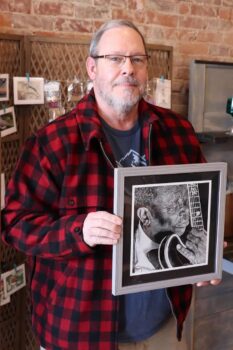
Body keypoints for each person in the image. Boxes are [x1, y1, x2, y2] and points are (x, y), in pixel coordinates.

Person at [1, 19, 221, 350]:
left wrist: (206, 255)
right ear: (92, 68)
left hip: (162, 326)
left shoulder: (177, 130)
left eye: (137, 59)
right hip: (79, 332)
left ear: (146, 69)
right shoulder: (53, 142)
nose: (127, 69)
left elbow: (202, 204)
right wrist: (79, 229)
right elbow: (15, 224)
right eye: (115, 59)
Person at [133, 184, 207, 273]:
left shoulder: (199, 241)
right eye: (173, 209)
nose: (186, 218)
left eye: (187, 205)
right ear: (145, 216)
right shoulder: (128, 246)